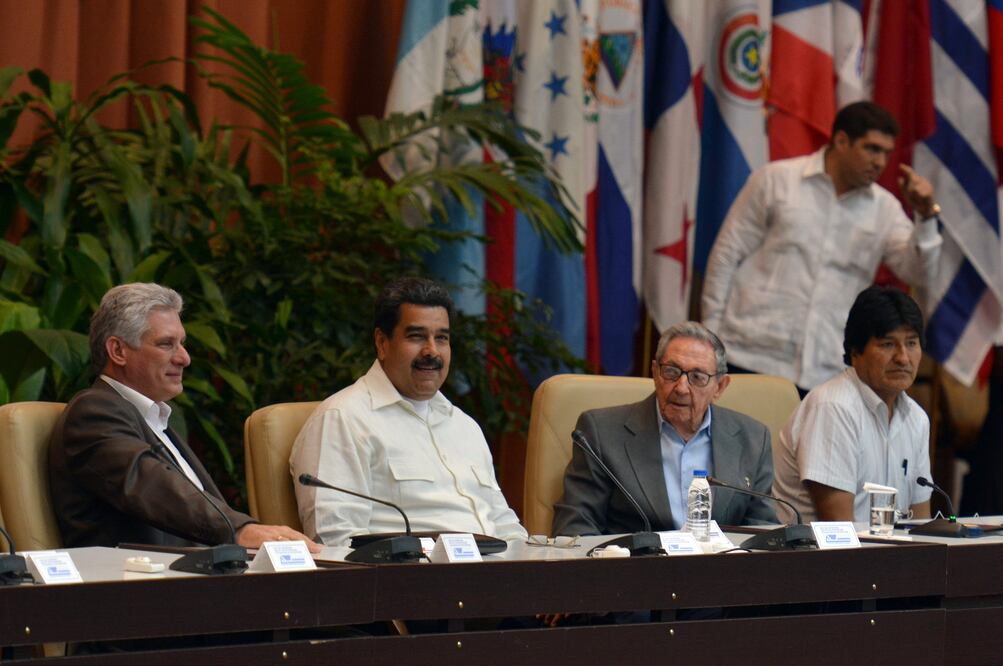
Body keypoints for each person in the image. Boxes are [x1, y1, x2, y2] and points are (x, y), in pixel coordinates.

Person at [49, 283, 319, 552]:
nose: (184, 358)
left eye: (182, 343)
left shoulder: (153, 419)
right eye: (166, 344)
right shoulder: (94, 411)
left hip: (198, 578)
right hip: (135, 585)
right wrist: (239, 530)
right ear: (118, 351)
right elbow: (154, 488)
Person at [702, 101, 943, 394]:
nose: (881, 162)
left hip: (825, 371)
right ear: (841, 141)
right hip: (748, 354)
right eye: (872, 149)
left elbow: (919, 274)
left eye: (886, 153)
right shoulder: (776, 180)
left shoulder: (885, 209)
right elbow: (726, 256)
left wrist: (927, 216)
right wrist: (710, 340)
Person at [290, 277, 527, 546]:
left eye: (442, 338)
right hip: (411, 580)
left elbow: (504, 523)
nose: (431, 351)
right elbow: (336, 540)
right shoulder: (343, 419)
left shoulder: (465, 426)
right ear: (382, 343)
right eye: (416, 336)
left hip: (497, 575)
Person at [552, 321, 777, 537]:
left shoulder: (753, 439)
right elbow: (575, 529)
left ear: (719, 387)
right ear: (655, 372)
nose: (681, 387)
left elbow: (762, 533)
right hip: (635, 571)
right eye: (671, 371)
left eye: (697, 377)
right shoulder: (601, 433)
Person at [772, 286, 933, 524]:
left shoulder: (916, 419)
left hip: (883, 555)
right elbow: (838, 531)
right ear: (856, 351)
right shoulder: (833, 408)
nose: (903, 358)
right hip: (814, 556)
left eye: (911, 343)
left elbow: (922, 527)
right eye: (887, 344)